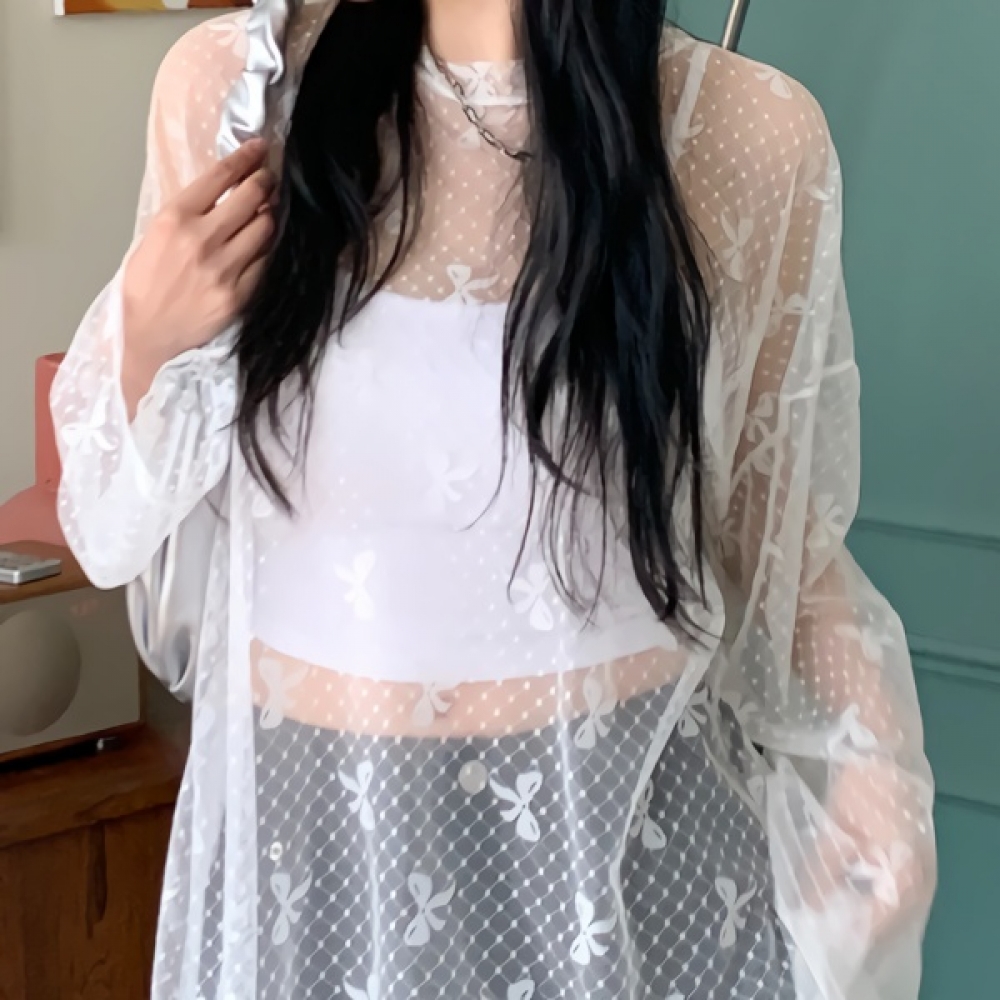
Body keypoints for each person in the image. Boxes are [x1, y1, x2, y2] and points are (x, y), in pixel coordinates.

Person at [51, 0, 936, 997]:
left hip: (632, 862)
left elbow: (781, 548)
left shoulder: (747, 132)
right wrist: (143, 337)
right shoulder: (233, 93)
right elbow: (111, 529)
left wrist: (875, 767)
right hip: (321, 865)